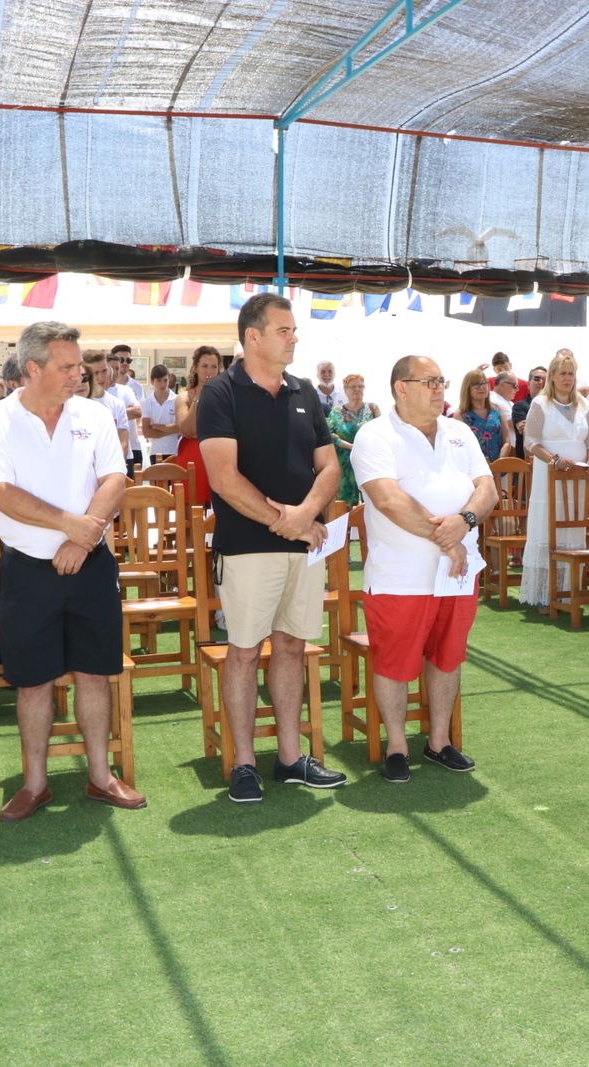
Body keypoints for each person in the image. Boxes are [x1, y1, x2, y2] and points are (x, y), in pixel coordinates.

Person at [0, 321, 145, 821]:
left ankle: (100, 776)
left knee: (96, 673)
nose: (79, 375)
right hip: (26, 570)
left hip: (90, 565)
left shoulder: (93, 413)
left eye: (77, 366)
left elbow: (117, 476)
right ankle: (35, 784)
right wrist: (71, 525)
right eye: (67, 366)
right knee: (33, 681)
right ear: (33, 368)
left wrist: (79, 536)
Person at [200, 293, 347, 803]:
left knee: (290, 647)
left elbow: (330, 467)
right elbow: (223, 477)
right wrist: (287, 522)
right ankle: (244, 764)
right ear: (253, 336)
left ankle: (289, 759)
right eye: (283, 330)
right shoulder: (220, 394)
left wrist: (304, 517)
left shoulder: (305, 391)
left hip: (304, 547)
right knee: (242, 653)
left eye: (294, 330)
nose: (294, 338)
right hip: (246, 549)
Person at [351, 355, 497, 782]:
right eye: (429, 382)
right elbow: (388, 500)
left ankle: (439, 741)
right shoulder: (374, 435)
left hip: (457, 572)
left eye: (441, 381)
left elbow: (486, 487)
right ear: (401, 388)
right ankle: (396, 745)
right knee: (395, 661)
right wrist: (447, 539)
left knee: (448, 657)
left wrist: (464, 523)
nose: (439, 389)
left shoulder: (459, 431)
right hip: (401, 575)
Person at [520, 352, 589, 608]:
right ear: (552, 376)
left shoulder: (584, 404)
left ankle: (569, 592)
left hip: (577, 476)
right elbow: (530, 442)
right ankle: (545, 594)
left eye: (571, 373)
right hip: (550, 474)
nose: (567, 378)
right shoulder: (540, 404)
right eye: (562, 373)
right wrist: (554, 461)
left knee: (572, 528)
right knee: (547, 526)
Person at [174, 347, 222, 505]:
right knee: (191, 509)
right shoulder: (184, 397)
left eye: (214, 366)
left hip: (219, 456)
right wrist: (198, 398)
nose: (209, 371)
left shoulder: (226, 397)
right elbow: (186, 430)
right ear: (195, 368)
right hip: (193, 457)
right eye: (204, 366)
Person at [326, 373, 379, 505]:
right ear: (345, 390)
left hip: (369, 463)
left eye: (361, 386)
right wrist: (350, 446)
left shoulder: (372, 409)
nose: (357, 389)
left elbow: (383, 432)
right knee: (345, 507)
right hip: (345, 467)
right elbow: (329, 435)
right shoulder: (336, 412)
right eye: (353, 386)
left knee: (373, 503)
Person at [457, 369, 509, 462]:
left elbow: (507, 441)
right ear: (467, 388)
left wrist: (499, 463)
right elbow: (459, 446)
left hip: (499, 469)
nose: (481, 387)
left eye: (484, 383)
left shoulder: (497, 409)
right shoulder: (460, 414)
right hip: (474, 470)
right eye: (476, 384)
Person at [108, 347, 144, 474]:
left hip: (132, 446)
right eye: (121, 359)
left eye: (128, 360)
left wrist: (113, 415)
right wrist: (126, 412)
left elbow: (138, 412)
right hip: (109, 449)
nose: (125, 363)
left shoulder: (134, 387)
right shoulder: (99, 390)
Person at [138, 364, 181, 462]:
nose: (162, 384)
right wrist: (170, 429)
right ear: (152, 381)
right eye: (159, 380)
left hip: (175, 451)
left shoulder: (177, 399)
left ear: (169, 379)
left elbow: (180, 427)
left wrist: (157, 426)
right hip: (155, 452)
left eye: (165, 380)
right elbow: (146, 432)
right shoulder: (147, 402)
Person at [511, 364, 546, 444]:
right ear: (529, 384)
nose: (541, 382)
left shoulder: (555, 407)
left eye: (545, 380)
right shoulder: (519, 407)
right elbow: (526, 431)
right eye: (537, 379)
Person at [490, 373, 520, 455]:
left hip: (511, 451)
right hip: (502, 452)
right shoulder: (494, 400)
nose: (517, 390)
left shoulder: (508, 402)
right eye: (515, 386)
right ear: (503, 384)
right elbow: (515, 426)